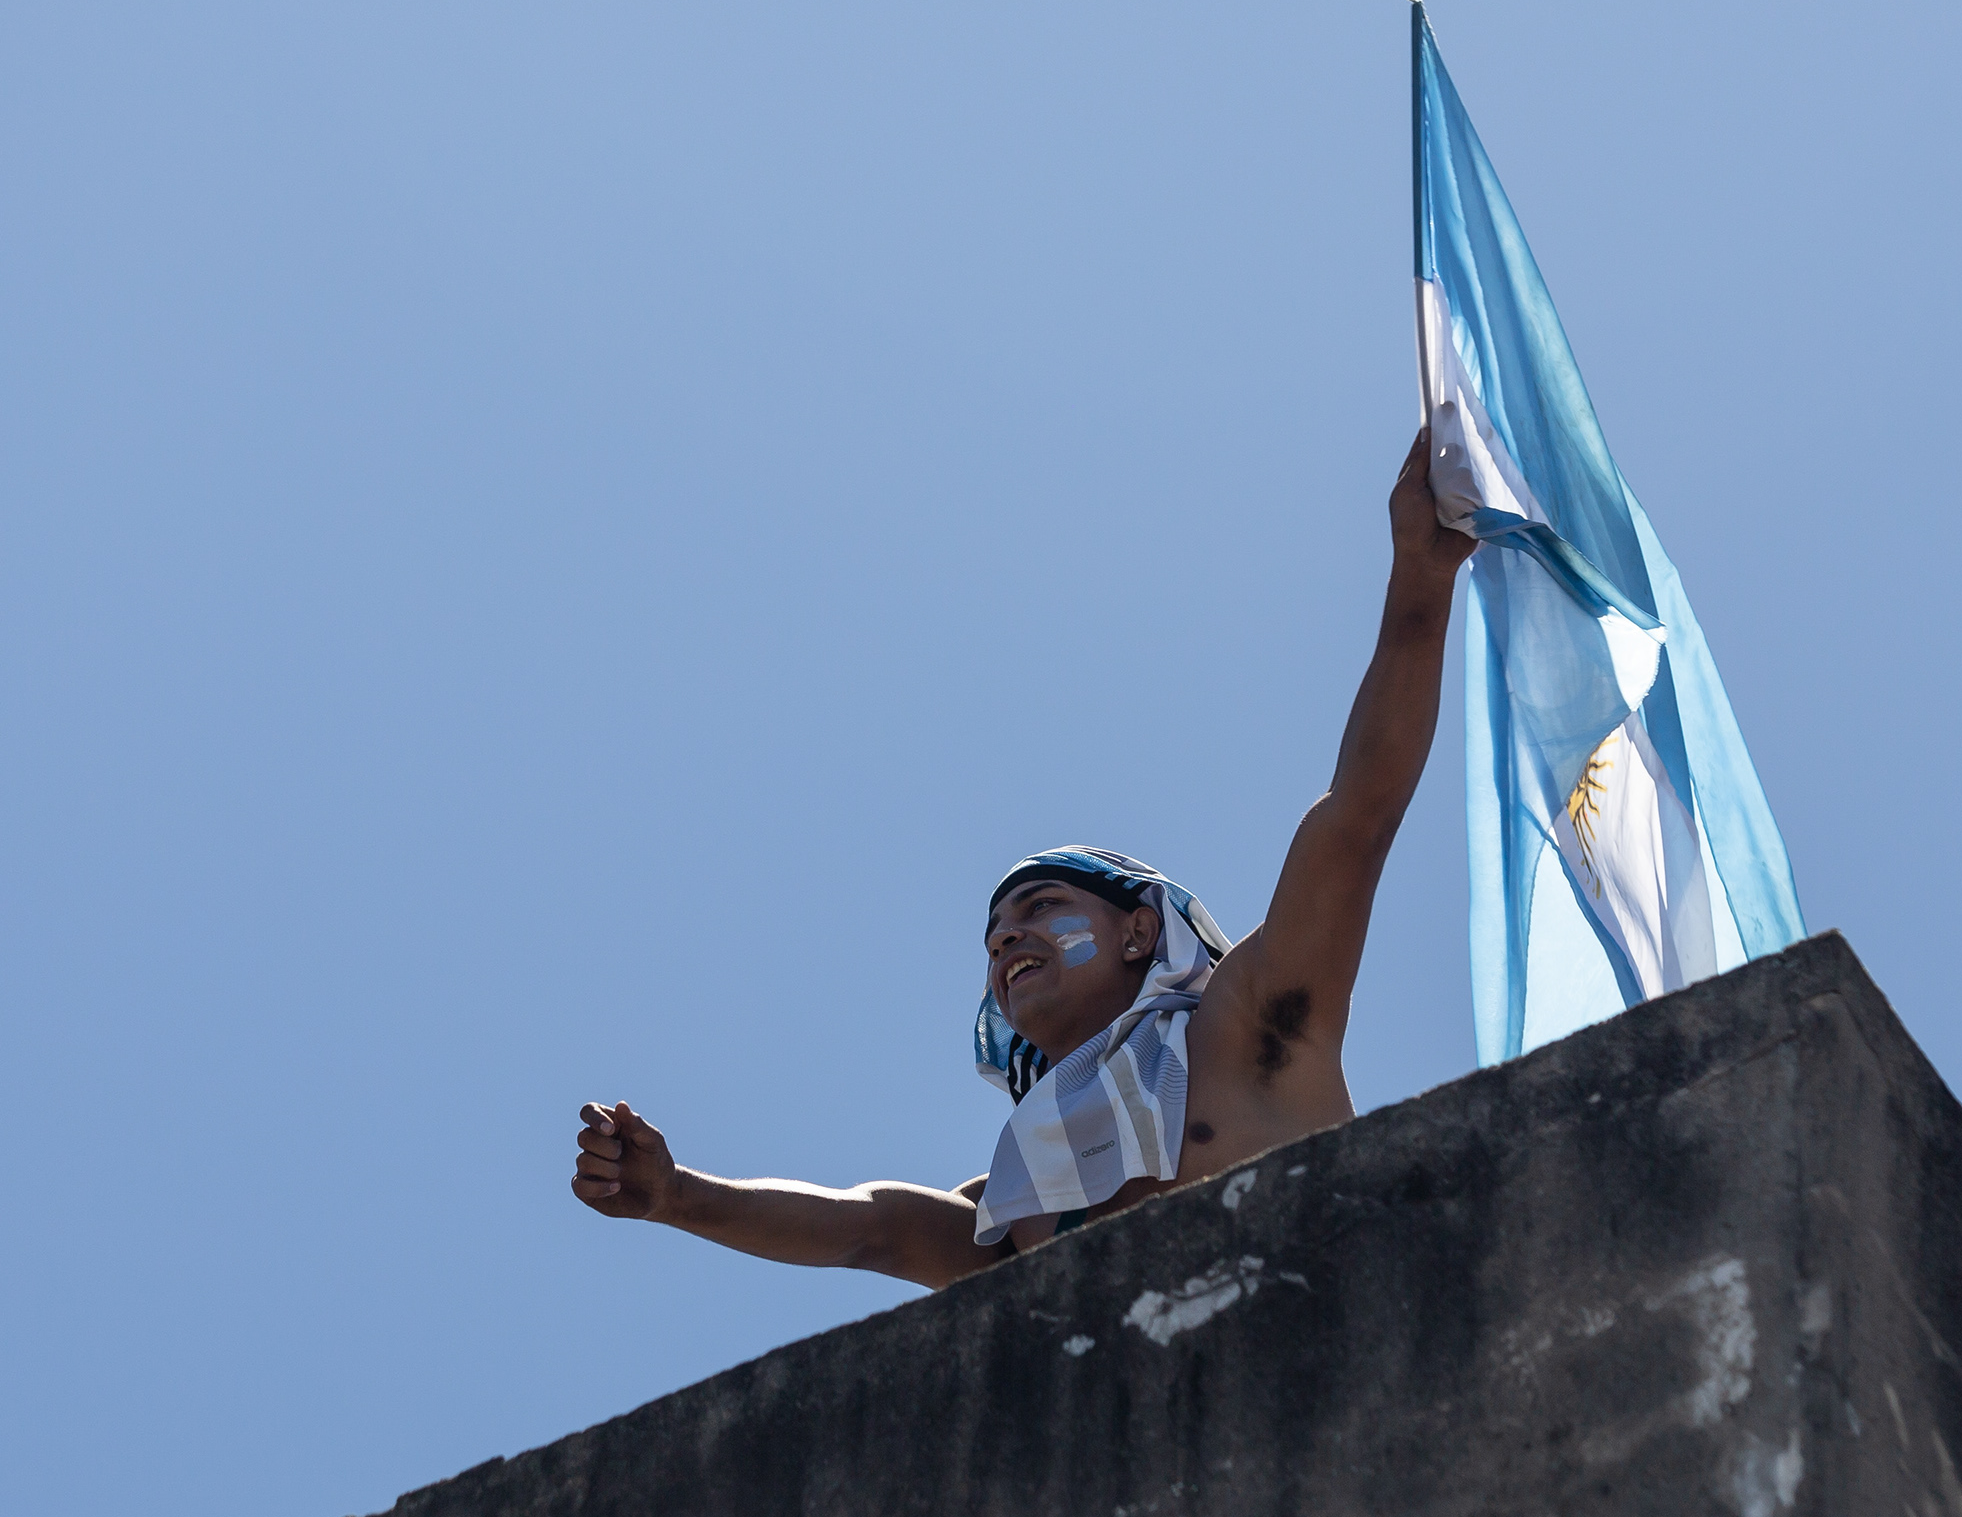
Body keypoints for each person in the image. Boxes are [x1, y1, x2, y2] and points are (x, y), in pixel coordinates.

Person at [570, 427, 1477, 1290]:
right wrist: (678, 1197)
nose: (1006, 940)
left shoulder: (1245, 1025)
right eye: (995, 935)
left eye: (1042, 907)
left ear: (1140, 932)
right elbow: (871, 1229)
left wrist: (1422, 576)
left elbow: (1356, 818)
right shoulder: (1018, 1194)